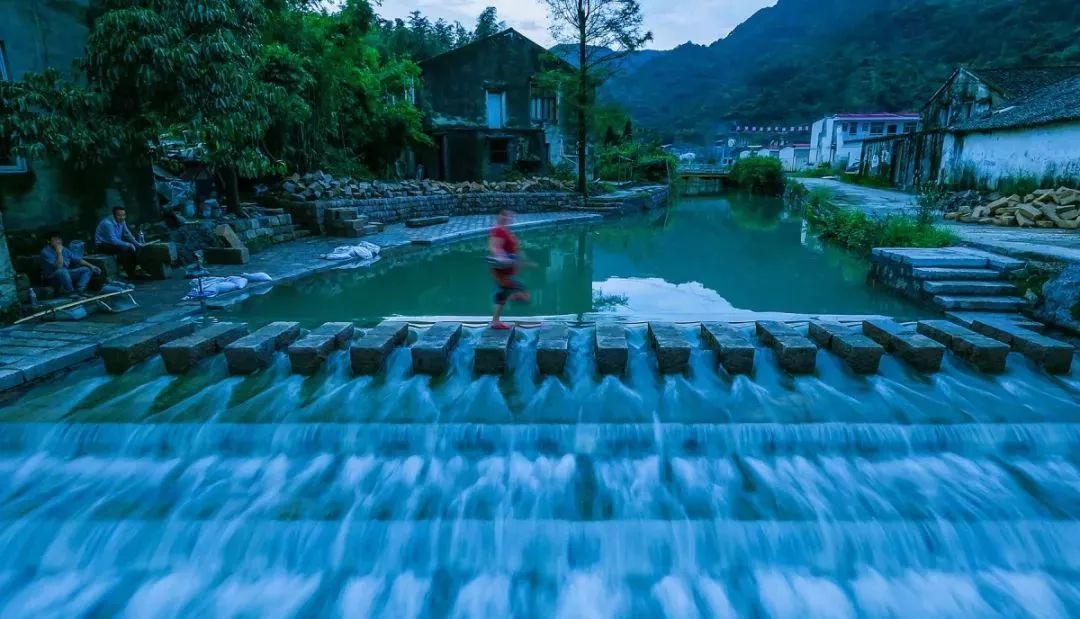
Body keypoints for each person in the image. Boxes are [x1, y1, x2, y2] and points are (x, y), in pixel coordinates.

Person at [488, 209, 530, 329]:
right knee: (521, 292)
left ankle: (495, 321)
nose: (508, 218)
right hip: (502, 270)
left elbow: (512, 248)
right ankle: (496, 320)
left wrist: (523, 261)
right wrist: (502, 257)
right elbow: (495, 247)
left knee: (504, 294)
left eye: (510, 216)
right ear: (499, 216)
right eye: (504, 215)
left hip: (506, 270)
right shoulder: (499, 230)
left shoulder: (504, 230)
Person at [40, 232, 101, 297]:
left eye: (59, 239)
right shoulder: (45, 252)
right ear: (49, 241)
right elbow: (59, 266)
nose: (58, 241)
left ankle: (80, 291)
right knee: (62, 271)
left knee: (87, 269)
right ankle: (70, 292)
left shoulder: (64, 249)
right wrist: (59, 252)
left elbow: (78, 259)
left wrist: (92, 266)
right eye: (55, 239)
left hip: (66, 274)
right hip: (52, 278)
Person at [95, 206, 143, 278]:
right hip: (102, 245)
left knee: (132, 247)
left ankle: (137, 269)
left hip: (113, 243)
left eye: (124, 215)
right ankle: (131, 273)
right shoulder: (108, 223)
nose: (122, 217)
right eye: (119, 215)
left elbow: (127, 233)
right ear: (114, 215)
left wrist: (136, 243)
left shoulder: (122, 221)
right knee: (125, 250)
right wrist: (128, 244)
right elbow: (113, 240)